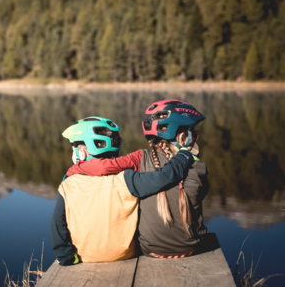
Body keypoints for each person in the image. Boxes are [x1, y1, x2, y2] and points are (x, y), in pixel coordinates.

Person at [65, 100, 209, 258]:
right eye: (194, 134)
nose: (196, 138)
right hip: (191, 248)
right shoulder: (199, 167)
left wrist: (75, 169)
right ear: (183, 137)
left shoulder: (139, 158)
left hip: (151, 250)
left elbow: (105, 166)